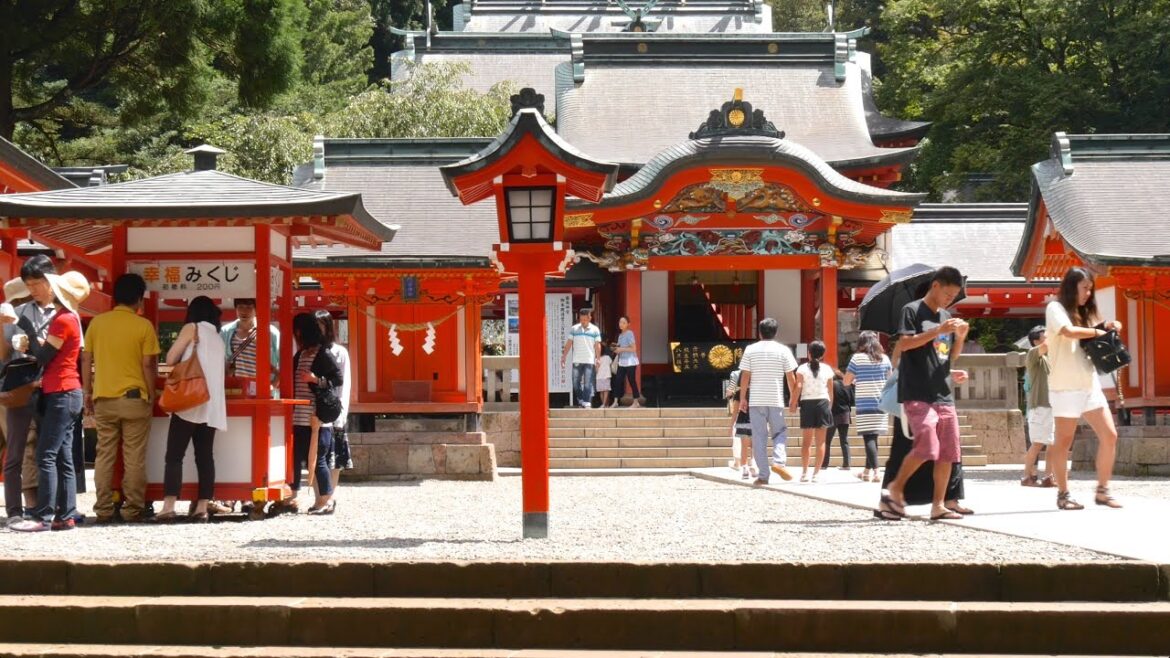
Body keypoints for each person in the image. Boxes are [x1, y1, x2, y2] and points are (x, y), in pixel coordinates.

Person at [881, 266, 971, 522]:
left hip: (942, 393)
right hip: (917, 391)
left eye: (953, 296)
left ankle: (938, 505)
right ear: (935, 286)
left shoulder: (946, 316)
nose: (949, 299)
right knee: (928, 446)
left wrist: (960, 338)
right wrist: (937, 331)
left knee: (948, 453)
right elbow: (906, 344)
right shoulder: (911, 310)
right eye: (947, 293)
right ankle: (896, 488)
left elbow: (947, 357)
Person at [10, 271, 90, 532]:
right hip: (70, 391)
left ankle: (43, 516)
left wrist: (27, 328)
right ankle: (64, 515)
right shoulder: (71, 319)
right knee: (63, 457)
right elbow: (48, 352)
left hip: (60, 391)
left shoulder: (62, 320)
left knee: (46, 454)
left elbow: (44, 357)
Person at [81, 273, 160, 524]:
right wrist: (150, 392)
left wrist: (87, 391)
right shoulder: (143, 326)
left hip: (103, 398)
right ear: (139, 298)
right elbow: (148, 364)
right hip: (135, 399)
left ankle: (104, 509)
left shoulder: (97, 323)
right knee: (134, 456)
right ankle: (132, 509)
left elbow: (86, 358)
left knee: (104, 455)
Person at [1044, 267, 1123, 510]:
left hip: (1089, 385)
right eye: (1084, 288)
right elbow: (1068, 332)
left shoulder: (1086, 313)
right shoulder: (1055, 308)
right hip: (1065, 387)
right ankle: (1063, 493)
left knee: (1110, 436)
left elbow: (1091, 334)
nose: (1088, 293)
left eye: (1091, 289)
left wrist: (1108, 325)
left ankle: (1102, 490)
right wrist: (1098, 329)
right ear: (1072, 287)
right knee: (1064, 441)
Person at [155, 297, 226, 523]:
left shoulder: (191, 328)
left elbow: (171, 357)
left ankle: (168, 506)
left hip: (190, 401)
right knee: (205, 457)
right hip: (212, 405)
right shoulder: (217, 337)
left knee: (174, 455)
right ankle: (202, 508)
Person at [2, 256, 56, 526]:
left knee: (49, 451)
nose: (32, 290)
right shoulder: (18, 314)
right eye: (29, 285)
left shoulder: (59, 313)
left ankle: (46, 508)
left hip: (50, 388)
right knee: (16, 452)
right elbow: (5, 353)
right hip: (20, 388)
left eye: (36, 284)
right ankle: (14, 511)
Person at [284, 312, 342, 515]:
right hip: (298, 416)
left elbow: (337, 379)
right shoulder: (300, 354)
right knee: (295, 457)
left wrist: (315, 379)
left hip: (316, 416)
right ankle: (292, 496)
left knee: (318, 459)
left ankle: (325, 499)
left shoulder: (322, 353)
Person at [737, 317, 798, 485]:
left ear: (759, 332)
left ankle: (763, 475)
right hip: (776, 398)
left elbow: (745, 376)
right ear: (776, 332)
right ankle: (778, 462)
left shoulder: (750, 349)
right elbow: (790, 376)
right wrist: (793, 398)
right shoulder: (783, 350)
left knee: (758, 437)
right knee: (779, 432)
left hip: (756, 400)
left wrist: (742, 398)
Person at [844, 331, 892, 482]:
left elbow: (846, 381)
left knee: (868, 438)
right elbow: (890, 381)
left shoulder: (857, 359)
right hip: (881, 402)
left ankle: (877, 472)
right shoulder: (884, 359)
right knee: (873, 436)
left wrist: (855, 380)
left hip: (865, 402)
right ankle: (866, 471)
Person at [316, 310, 353, 496]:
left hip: (334, 407)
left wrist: (342, 412)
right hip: (315, 409)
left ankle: (331, 495)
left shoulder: (340, 352)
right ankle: (320, 495)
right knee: (318, 455)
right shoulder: (309, 351)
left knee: (335, 457)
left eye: (321, 325)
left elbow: (345, 383)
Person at [791, 340, 834, 483]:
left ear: (809, 353)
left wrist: (793, 402)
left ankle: (804, 472)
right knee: (821, 442)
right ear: (822, 355)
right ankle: (816, 474)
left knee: (806, 442)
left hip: (807, 404)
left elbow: (798, 386)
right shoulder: (827, 369)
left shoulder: (802, 368)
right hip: (823, 402)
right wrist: (830, 406)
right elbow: (830, 390)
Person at [219, 298, 280, 393]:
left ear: (256, 309)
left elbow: (283, 364)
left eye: (249, 307)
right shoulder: (225, 332)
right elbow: (220, 362)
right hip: (236, 389)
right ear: (235, 308)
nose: (244, 311)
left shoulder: (271, 333)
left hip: (263, 389)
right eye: (240, 307)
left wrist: (273, 385)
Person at [1021, 325, 1055, 488]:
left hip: (1053, 405)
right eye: (1044, 335)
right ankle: (1026, 476)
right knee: (1038, 443)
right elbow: (1048, 344)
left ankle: (1049, 477)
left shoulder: (1050, 358)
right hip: (1039, 405)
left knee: (1053, 443)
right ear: (1036, 341)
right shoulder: (1033, 354)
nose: (1048, 337)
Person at [561, 307, 601, 409]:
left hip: (589, 360)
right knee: (575, 383)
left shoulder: (595, 329)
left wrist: (598, 358)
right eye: (581, 319)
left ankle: (586, 401)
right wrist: (564, 356)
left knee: (588, 383)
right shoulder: (574, 329)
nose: (582, 322)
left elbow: (597, 345)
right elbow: (569, 343)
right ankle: (581, 399)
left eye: (585, 319)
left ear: (589, 318)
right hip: (577, 360)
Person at [820, 369, 853, 472]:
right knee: (844, 440)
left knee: (827, 441)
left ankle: (824, 464)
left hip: (833, 414)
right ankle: (846, 464)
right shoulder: (847, 385)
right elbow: (851, 400)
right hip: (845, 414)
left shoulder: (831, 384)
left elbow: (827, 399)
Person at [726, 369, 754, 480]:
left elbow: (735, 412)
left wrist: (731, 425)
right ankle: (754, 465)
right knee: (755, 446)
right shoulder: (757, 392)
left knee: (744, 446)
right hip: (756, 421)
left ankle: (744, 468)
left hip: (742, 421)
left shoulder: (739, 393)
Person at [611, 316, 643, 407]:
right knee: (617, 381)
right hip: (622, 361)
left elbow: (634, 349)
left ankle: (636, 402)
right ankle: (615, 401)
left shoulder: (630, 333)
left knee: (631, 380)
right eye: (620, 322)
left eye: (624, 322)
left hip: (630, 361)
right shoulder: (620, 335)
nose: (621, 324)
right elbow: (620, 348)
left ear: (628, 324)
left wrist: (621, 349)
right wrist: (616, 349)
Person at [596, 345, 613, 409]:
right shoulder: (607, 357)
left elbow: (596, 370)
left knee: (601, 391)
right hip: (606, 376)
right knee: (606, 391)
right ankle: (604, 404)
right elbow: (611, 364)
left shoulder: (596, 359)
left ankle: (603, 404)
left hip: (599, 376)